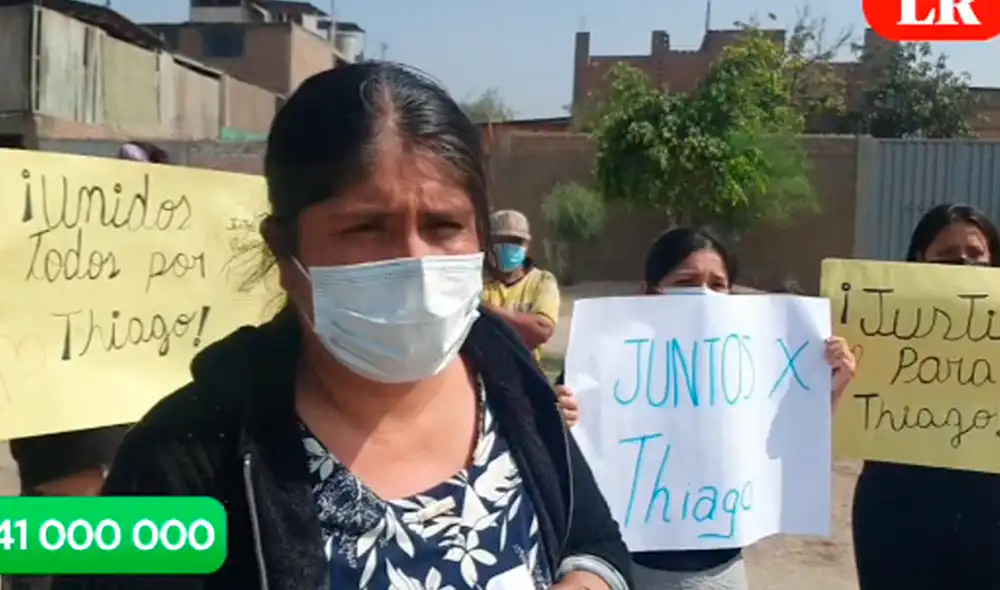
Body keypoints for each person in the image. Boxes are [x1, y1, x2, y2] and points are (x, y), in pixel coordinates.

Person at [52, 62, 632, 590]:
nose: (416, 264)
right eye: (365, 229)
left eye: (443, 224)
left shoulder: (507, 374)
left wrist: (587, 581)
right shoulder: (182, 457)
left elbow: (594, 542)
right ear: (285, 252)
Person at [553, 226, 857, 590]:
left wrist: (829, 389)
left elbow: (786, 442)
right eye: (686, 281)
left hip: (716, 571)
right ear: (648, 292)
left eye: (718, 284)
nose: (704, 294)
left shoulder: (752, 361)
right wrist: (556, 421)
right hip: (625, 568)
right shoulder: (599, 359)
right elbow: (560, 462)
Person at [851, 203, 1000, 590]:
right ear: (920, 259)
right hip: (899, 500)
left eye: (975, 255)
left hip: (990, 503)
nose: (964, 265)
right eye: (948, 256)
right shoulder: (880, 322)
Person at [481, 209, 560, 361]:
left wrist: (488, 310)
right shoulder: (478, 283)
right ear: (488, 245)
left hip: (526, 373)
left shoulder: (542, 281)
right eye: (501, 241)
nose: (508, 247)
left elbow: (541, 330)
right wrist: (522, 325)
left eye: (516, 242)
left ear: (527, 245)